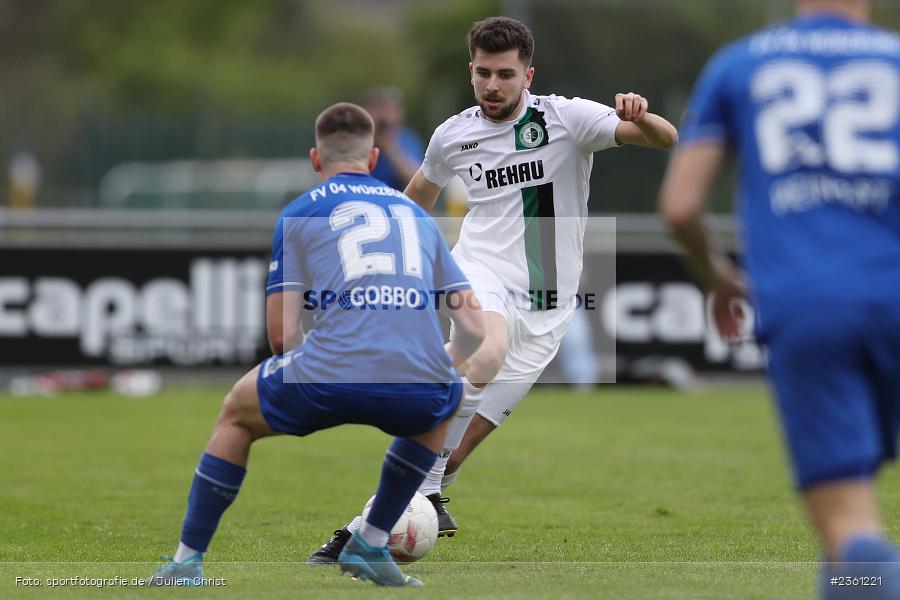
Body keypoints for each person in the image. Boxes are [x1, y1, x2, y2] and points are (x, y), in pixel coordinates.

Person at [308, 16, 677, 563]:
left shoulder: (568, 119)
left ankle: (367, 526)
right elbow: (418, 197)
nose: (493, 86)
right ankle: (376, 523)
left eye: (505, 74)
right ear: (471, 71)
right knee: (486, 347)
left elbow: (667, 140)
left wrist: (641, 117)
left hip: (549, 309)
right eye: (483, 73)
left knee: (449, 455)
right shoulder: (453, 135)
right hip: (480, 272)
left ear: (529, 75)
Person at [146, 102, 485, 588]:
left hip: (327, 372)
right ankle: (369, 542)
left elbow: (282, 335)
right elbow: (473, 328)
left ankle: (186, 563)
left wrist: (313, 375)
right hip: (414, 383)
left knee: (235, 415)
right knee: (443, 400)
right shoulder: (415, 215)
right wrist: (433, 366)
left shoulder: (299, 212)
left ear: (314, 158)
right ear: (373, 160)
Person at [658, 1, 900, 597]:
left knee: (850, 530)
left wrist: (717, 276)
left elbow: (681, 206)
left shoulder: (739, 65)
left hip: (809, 303)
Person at [364, 86, 424, 192]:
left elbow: (418, 182)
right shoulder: (358, 138)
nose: (383, 115)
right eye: (377, 108)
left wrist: (390, 148)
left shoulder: (408, 139)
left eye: (388, 109)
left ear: (400, 112)